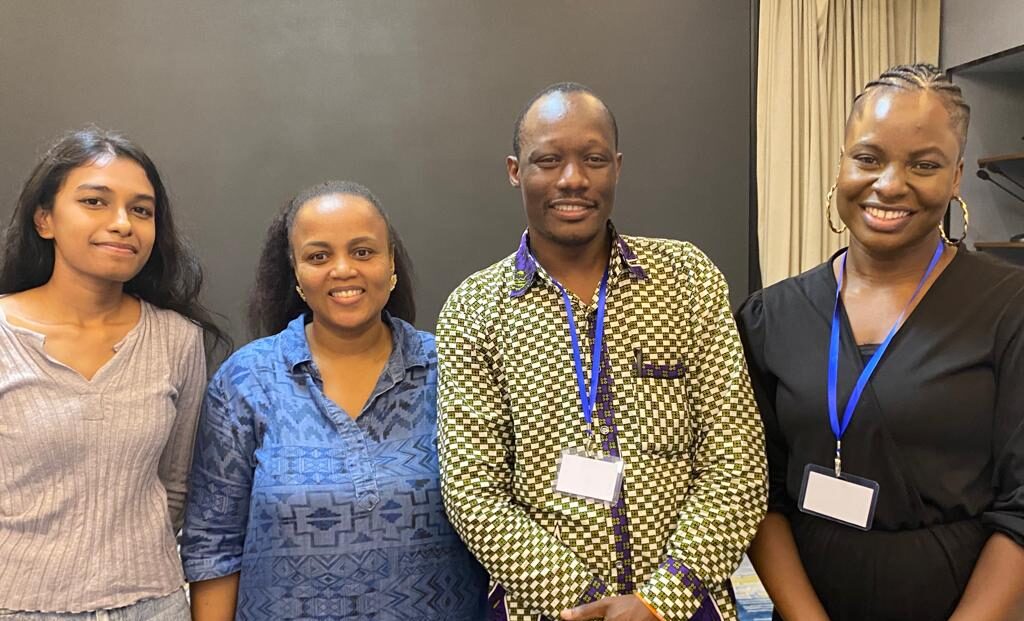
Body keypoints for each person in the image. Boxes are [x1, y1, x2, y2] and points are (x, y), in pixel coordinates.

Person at [436, 83, 767, 621]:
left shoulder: (686, 280)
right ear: (516, 171)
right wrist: (588, 606)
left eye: (593, 159)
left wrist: (660, 601)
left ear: (616, 167)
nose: (573, 179)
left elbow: (738, 464)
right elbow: (473, 492)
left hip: (685, 605)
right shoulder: (475, 309)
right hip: (546, 611)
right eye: (548, 160)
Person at [737, 64, 1024, 621]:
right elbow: (758, 495)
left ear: (957, 177)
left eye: (924, 165)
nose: (890, 184)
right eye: (868, 159)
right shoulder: (772, 317)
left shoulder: (1008, 308)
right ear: (841, 163)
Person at [181, 180, 487, 621]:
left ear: (391, 263)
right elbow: (213, 546)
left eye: (363, 251)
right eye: (319, 256)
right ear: (296, 273)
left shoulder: (454, 370)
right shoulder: (247, 380)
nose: (343, 270)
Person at [0, 127, 225, 619]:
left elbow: (178, 484)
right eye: (95, 202)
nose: (122, 223)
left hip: (154, 605)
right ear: (44, 219)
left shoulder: (177, 339)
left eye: (141, 210)